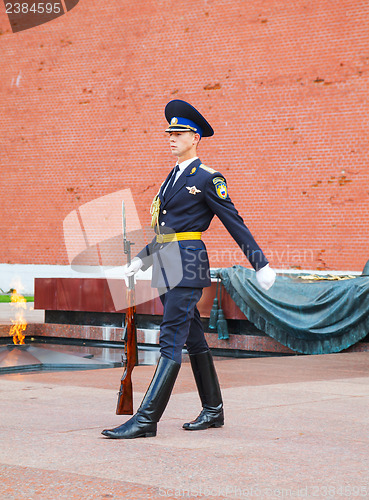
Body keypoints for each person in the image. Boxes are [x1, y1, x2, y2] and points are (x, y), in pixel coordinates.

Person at [102, 100, 276, 439]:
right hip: (167, 263)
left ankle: (145, 420)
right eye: (169, 132)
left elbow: (234, 223)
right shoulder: (172, 177)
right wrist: (141, 259)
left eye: (178, 133)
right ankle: (213, 410)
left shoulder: (208, 178)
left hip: (188, 263)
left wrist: (261, 264)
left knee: (170, 340)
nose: (171, 138)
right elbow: (166, 230)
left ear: (195, 137)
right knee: (193, 338)